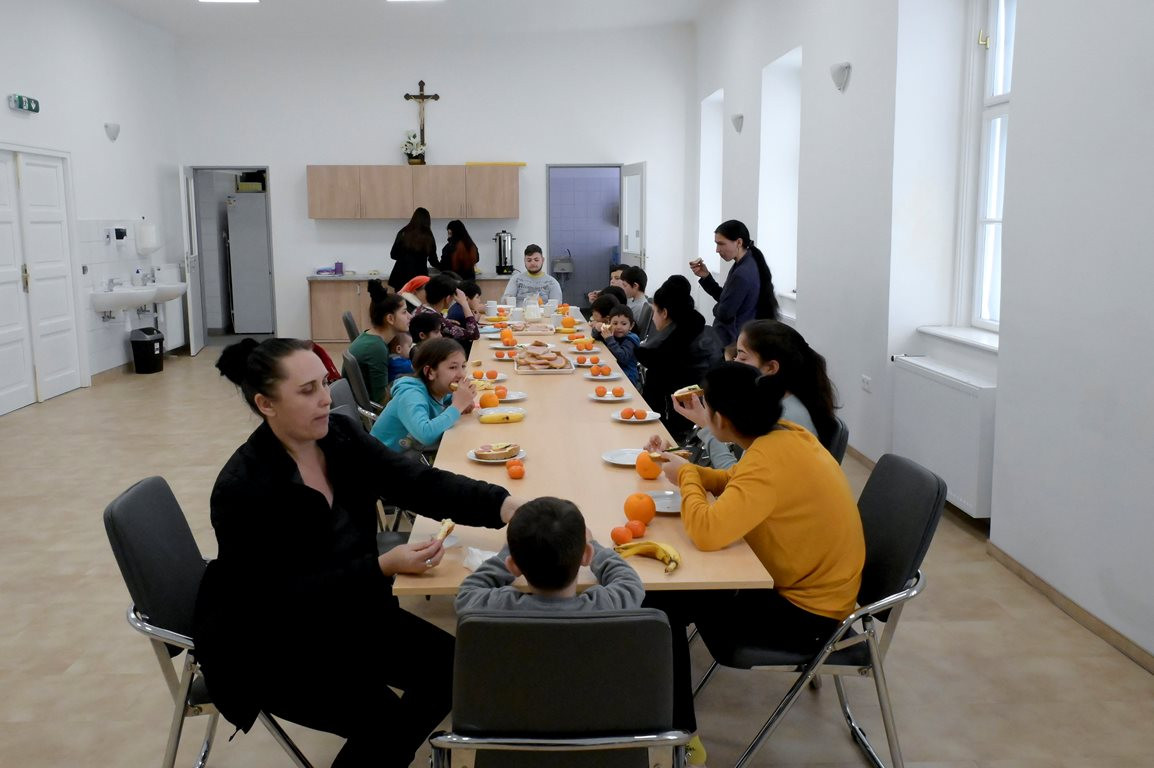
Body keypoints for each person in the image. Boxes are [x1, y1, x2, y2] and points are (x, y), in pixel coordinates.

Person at [194, 338, 522, 768]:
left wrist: (505, 506)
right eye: (307, 390)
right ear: (265, 404)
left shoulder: (338, 436)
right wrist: (380, 567)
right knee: (383, 723)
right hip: (275, 643)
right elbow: (277, 596)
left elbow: (416, 483)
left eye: (324, 384)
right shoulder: (244, 488)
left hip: (349, 612)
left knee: (453, 670)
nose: (325, 399)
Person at [642, 362, 864, 751]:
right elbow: (738, 482)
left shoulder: (767, 461)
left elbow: (707, 533)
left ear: (721, 419)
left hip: (809, 615)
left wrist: (689, 476)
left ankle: (679, 735)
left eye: (707, 406)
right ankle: (667, 721)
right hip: (814, 590)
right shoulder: (785, 436)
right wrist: (693, 472)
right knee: (664, 599)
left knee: (661, 607)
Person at [675, 319, 839, 469]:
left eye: (742, 357)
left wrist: (709, 426)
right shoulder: (774, 401)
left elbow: (739, 478)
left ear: (771, 368)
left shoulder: (782, 418)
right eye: (735, 355)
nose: (734, 362)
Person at [454, 497, 644, 612]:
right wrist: (593, 546)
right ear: (586, 555)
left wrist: (510, 550)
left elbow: (467, 592)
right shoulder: (605, 606)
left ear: (512, 565)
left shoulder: (498, 607)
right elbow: (630, 583)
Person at [635, 276, 722, 443]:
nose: (653, 318)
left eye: (654, 312)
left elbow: (653, 406)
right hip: (707, 413)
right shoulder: (698, 331)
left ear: (664, 313)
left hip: (681, 425)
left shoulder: (671, 349)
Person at [370, 338, 476, 455]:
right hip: (383, 461)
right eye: (453, 367)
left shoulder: (436, 389)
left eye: (463, 366)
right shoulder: (410, 394)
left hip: (410, 456)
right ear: (430, 372)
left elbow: (440, 399)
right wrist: (457, 406)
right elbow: (425, 435)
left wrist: (458, 400)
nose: (462, 374)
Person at [689, 219, 779, 346]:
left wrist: (717, 307)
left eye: (721, 244)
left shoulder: (742, 273)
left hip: (731, 342)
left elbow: (724, 312)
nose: (717, 250)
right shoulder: (746, 262)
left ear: (739, 242)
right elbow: (727, 298)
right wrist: (706, 277)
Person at [346, 281, 411, 403]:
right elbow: (381, 399)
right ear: (390, 318)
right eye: (404, 312)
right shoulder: (376, 348)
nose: (410, 316)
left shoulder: (370, 337)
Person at [414, 274, 480, 346]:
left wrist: (447, 321)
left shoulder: (420, 309)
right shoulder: (435, 319)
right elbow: (474, 334)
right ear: (448, 299)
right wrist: (464, 303)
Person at [388, 207, 438, 292]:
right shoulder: (428, 236)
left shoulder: (403, 233)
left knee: (401, 300)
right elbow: (433, 260)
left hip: (401, 276)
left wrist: (405, 256)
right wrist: (444, 267)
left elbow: (393, 255)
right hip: (419, 277)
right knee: (417, 300)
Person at [600, 304, 641, 386]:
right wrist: (597, 328)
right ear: (609, 323)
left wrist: (610, 340)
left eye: (624, 324)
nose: (619, 327)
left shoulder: (630, 340)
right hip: (613, 370)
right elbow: (595, 336)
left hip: (628, 375)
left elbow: (623, 358)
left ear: (631, 326)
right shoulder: (612, 334)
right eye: (615, 323)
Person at [447, 280, 484, 356]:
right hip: (462, 353)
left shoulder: (456, 307)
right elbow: (473, 335)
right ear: (466, 299)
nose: (479, 301)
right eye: (477, 297)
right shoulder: (461, 313)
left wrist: (475, 319)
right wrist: (475, 321)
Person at [619, 265, 654, 338]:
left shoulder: (638, 307)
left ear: (635, 286)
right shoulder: (633, 301)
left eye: (625, 285)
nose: (623, 289)